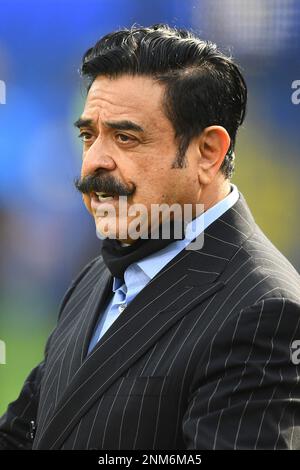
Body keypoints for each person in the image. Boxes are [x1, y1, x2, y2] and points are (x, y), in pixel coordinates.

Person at [0, 24, 299, 450]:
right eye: (89, 136)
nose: (94, 163)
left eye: (125, 138)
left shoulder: (264, 310)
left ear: (207, 153)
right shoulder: (99, 273)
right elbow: (24, 433)